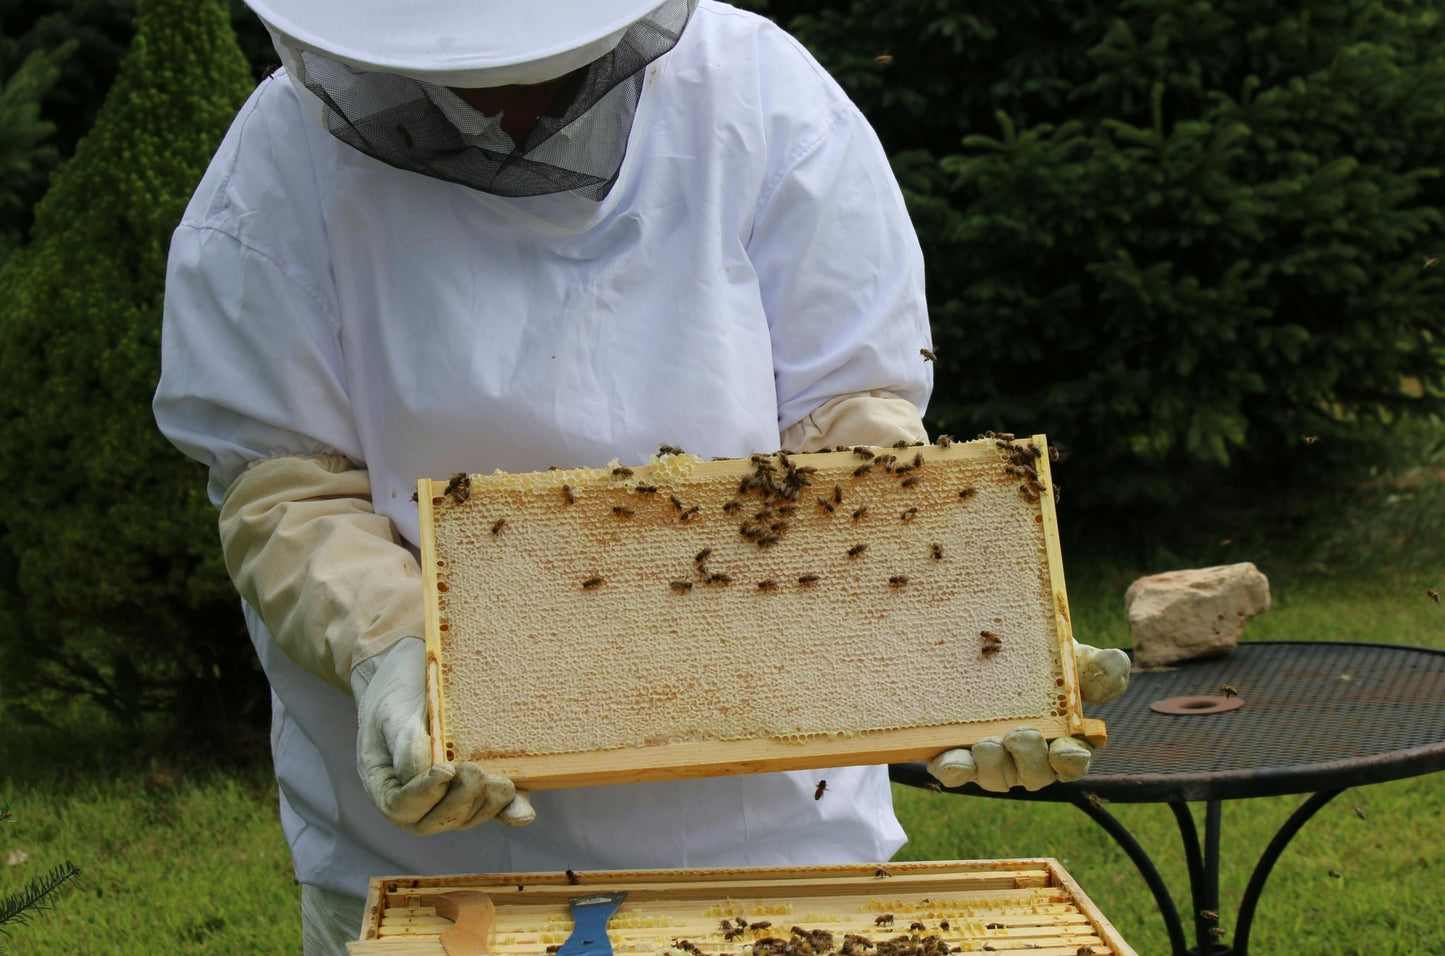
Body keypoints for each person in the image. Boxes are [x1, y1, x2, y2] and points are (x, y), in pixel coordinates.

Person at [152, 1, 1130, 952]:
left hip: (772, 836)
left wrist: (951, 640)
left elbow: (847, 430)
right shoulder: (273, 178)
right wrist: (391, 648)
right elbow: (290, 487)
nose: (514, 95)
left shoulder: (761, 96)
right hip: (438, 863)